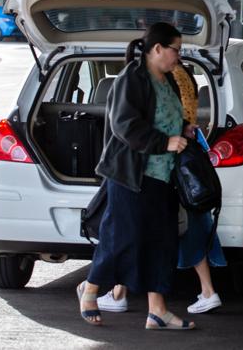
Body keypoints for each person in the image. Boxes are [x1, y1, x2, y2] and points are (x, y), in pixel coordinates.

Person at [76, 22, 197, 329]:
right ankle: (90, 290)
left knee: (163, 243)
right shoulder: (132, 77)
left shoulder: (167, 78)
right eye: (176, 50)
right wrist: (164, 141)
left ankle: (158, 311)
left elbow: (166, 114)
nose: (178, 56)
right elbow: (124, 124)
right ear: (158, 48)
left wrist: (182, 129)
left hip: (162, 176)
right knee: (122, 238)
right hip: (132, 174)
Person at [96, 62, 227, 316]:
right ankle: (130, 296)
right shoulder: (185, 74)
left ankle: (109, 292)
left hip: (164, 161)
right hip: (182, 158)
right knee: (183, 225)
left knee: (142, 230)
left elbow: (152, 122)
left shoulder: (164, 79)